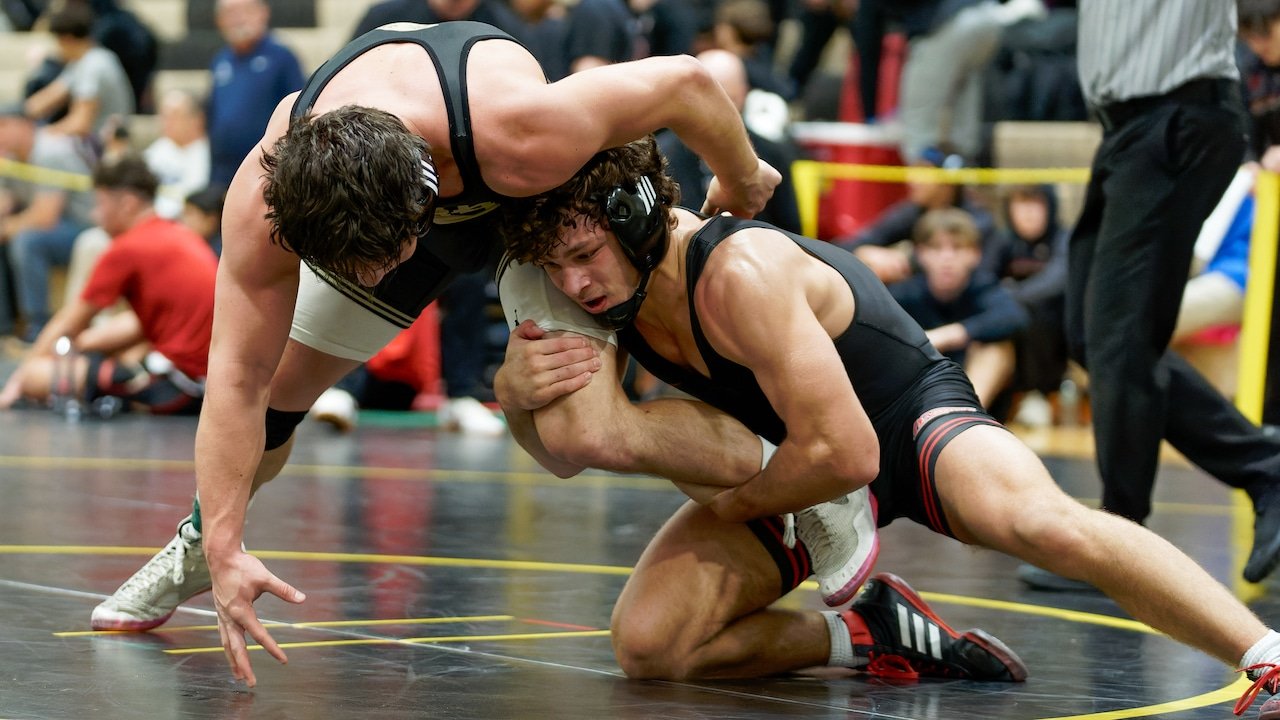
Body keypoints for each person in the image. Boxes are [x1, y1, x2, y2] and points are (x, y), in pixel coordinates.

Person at [85, 20, 834, 693]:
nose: (372, 280)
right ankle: (198, 546)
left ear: (425, 196)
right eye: (352, 268)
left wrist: (740, 173)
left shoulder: (521, 130)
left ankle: (808, 478)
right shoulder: (263, 200)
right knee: (274, 400)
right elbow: (236, 380)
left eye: (383, 262)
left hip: (531, 202)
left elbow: (687, 82)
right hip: (406, 197)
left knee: (580, 431)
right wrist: (226, 544)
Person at [494, 136, 1280, 712]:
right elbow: (569, 450)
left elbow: (849, 451)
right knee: (651, 645)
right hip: (794, 465)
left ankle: (1267, 653)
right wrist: (515, 393)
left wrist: (736, 502)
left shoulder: (738, 272)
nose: (575, 284)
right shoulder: (602, 296)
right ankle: (873, 634)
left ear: (636, 217)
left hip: (899, 421)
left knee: (1043, 522)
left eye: (586, 254)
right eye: (555, 267)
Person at [1017, 0, 1280, 599]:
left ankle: (1120, 545)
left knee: (1119, 340)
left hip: (1177, 119)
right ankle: (1265, 467)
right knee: (1091, 335)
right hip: (1127, 131)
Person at [0, 154, 215, 415]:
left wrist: (20, 379)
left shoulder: (129, 247)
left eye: (101, 203)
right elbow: (138, 325)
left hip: (180, 383)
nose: (95, 214)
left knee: (37, 375)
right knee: (94, 355)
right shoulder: (175, 233)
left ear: (127, 203)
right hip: (206, 378)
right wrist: (82, 345)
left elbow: (69, 322)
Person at [888, 207, 1028, 412]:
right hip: (915, 395)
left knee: (996, 348)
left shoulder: (983, 286)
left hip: (973, 391)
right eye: (936, 248)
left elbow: (1015, 317)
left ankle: (963, 416)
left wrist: (951, 334)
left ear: (975, 254)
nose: (947, 258)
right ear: (920, 253)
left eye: (957, 248)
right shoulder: (904, 294)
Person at [657, 49, 801, 234]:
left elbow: (792, 233)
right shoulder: (661, 156)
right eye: (709, 101)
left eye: (729, 100)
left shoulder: (773, 155)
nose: (719, 113)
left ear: (744, 94)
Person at [0, 106, 95, 342]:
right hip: (53, 225)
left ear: (25, 125)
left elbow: (45, 216)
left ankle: (37, 329)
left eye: (3, 125)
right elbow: (5, 200)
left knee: (27, 241)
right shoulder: (11, 157)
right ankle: (5, 326)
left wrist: (7, 228)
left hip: (83, 227)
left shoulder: (50, 152)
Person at [206, 0, 304, 186]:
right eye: (230, 12)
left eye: (245, 10)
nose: (238, 19)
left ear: (263, 13)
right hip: (224, 172)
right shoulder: (220, 60)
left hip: (269, 170)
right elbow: (214, 117)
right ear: (218, 20)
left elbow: (299, 113)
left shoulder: (282, 57)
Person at [22, 1, 135, 142]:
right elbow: (43, 101)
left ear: (67, 39)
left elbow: (80, 124)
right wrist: (13, 116)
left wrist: (36, 136)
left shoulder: (95, 64)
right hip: (89, 142)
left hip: (101, 145)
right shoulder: (80, 63)